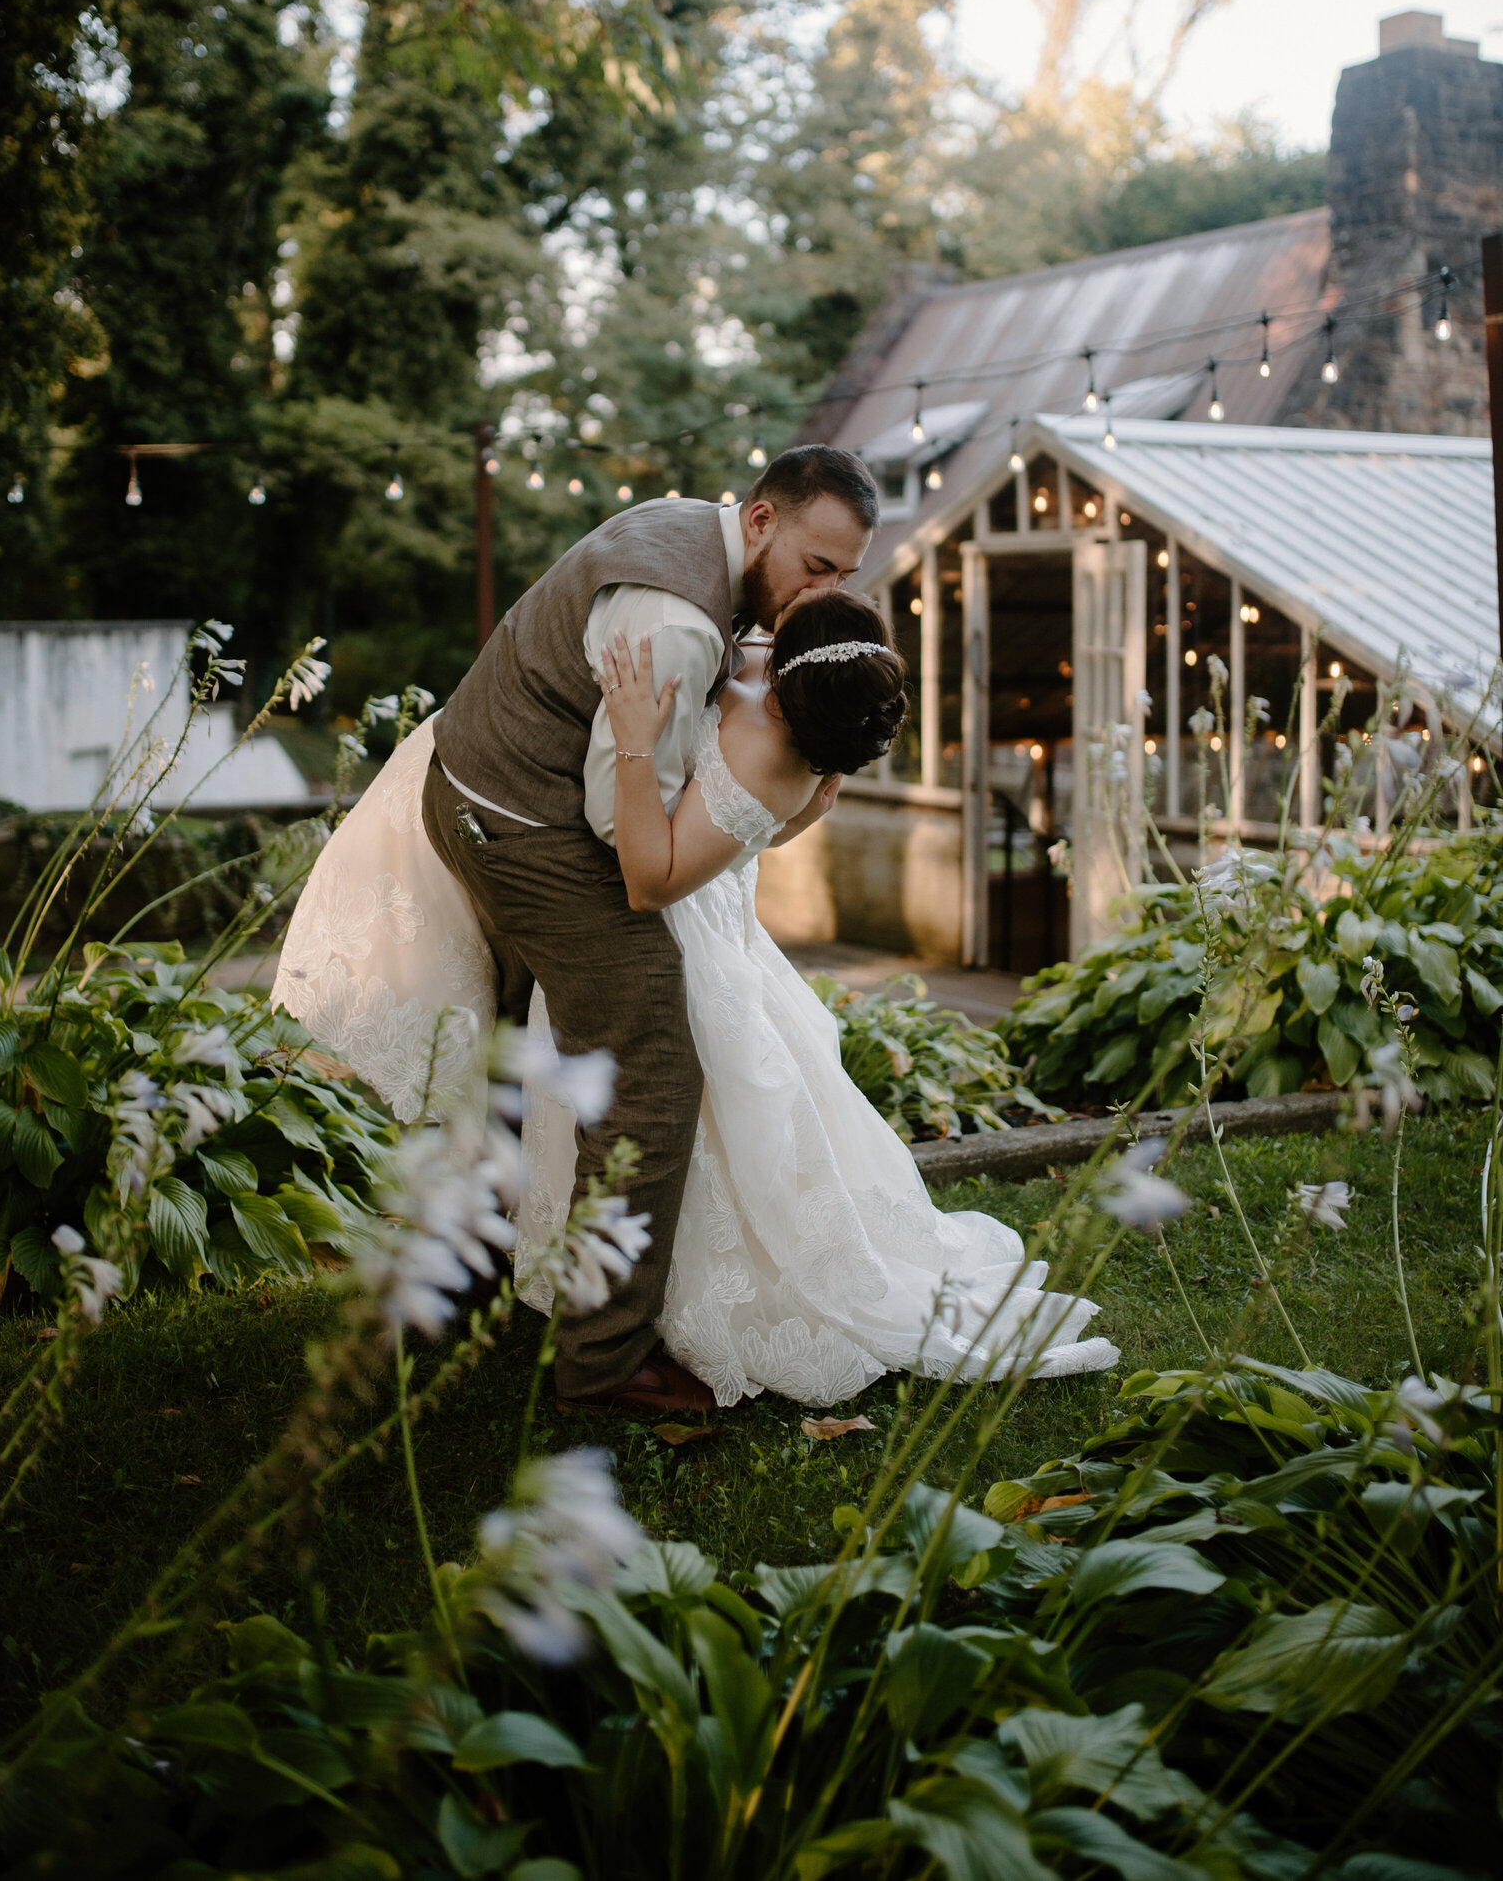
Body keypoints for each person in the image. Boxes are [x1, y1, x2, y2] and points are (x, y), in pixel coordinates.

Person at [290, 446, 879, 1418]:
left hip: (472, 781)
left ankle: (477, 1266)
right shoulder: (679, 623)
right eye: (817, 569)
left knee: (524, 1056)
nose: (825, 593)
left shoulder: (691, 524)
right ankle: (602, 1366)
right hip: (530, 827)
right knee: (647, 1064)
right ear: (764, 523)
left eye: (844, 577)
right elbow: (624, 833)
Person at [511, 586, 1116, 1406]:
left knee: (697, 1129)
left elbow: (651, 877)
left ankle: (669, 1307)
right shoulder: (784, 727)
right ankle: (612, 1297)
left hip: (682, 943)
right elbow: (759, 834)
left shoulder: (775, 755)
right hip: (724, 929)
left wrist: (633, 739)